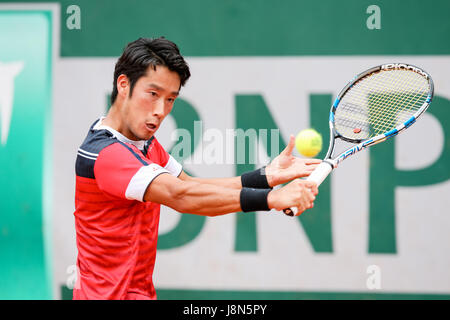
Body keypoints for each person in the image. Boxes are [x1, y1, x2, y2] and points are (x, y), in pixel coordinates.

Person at [73, 37, 320, 300]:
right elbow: (181, 197)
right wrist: (273, 199)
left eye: (170, 99)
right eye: (153, 94)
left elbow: (189, 185)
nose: (160, 110)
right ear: (124, 85)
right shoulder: (106, 154)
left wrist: (265, 177)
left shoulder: (143, 144)